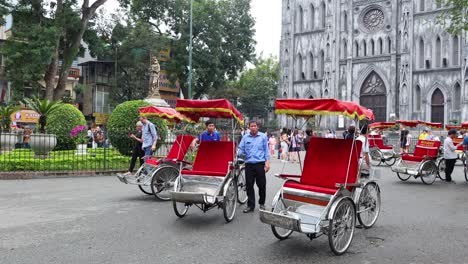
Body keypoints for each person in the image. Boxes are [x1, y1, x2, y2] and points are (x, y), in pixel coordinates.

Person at [237, 120, 270, 213]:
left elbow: (266, 151)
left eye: (255, 126)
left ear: (257, 127)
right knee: (249, 186)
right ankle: (250, 205)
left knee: (262, 185)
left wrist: (267, 163)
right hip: (249, 164)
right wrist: (240, 154)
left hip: (260, 164)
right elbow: (240, 148)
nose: (253, 127)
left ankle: (262, 203)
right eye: (251, 126)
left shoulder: (263, 136)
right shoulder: (245, 137)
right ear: (249, 127)